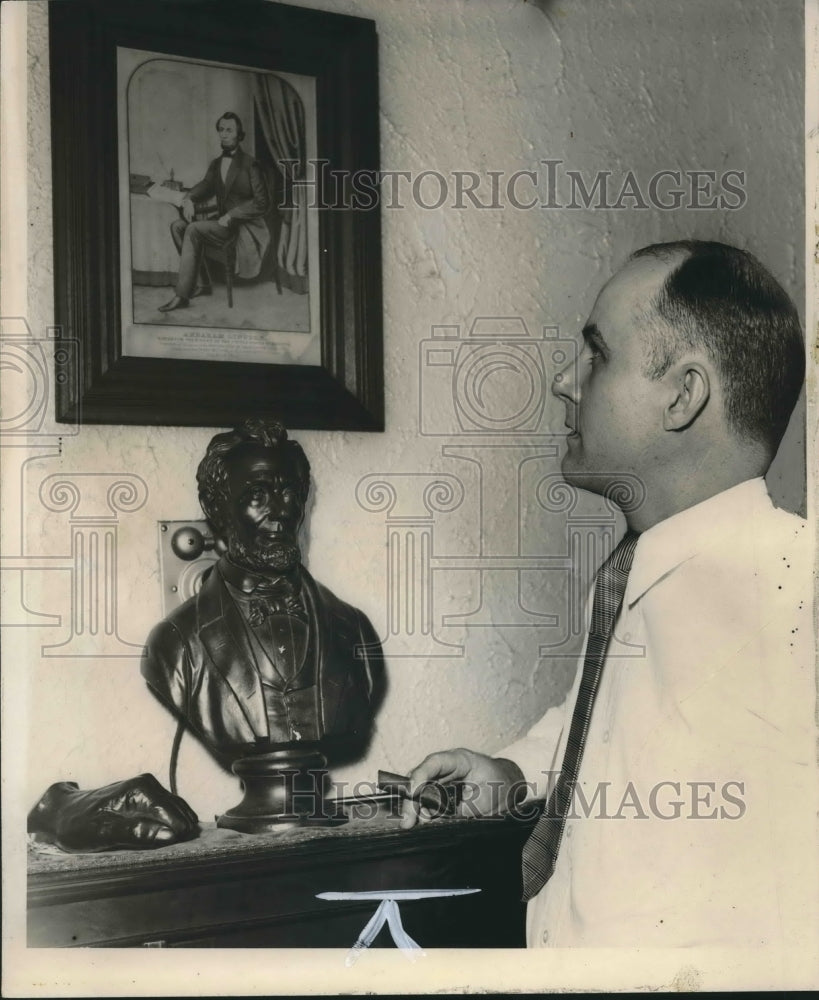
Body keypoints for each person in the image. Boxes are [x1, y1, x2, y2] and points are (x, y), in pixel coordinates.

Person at [400, 240, 815, 949]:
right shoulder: (636, 571)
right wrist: (513, 771)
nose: (565, 381)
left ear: (682, 396)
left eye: (597, 355)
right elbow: (607, 723)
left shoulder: (792, 590)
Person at [28, 419, 384, 850]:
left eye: (289, 492)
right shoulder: (176, 643)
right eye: (257, 495)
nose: (281, 510)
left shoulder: (354, 630)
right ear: (218, 511)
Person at [159, 112, 270, 312]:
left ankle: (182, 295)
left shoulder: (250, 164)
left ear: (239, 135)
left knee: (192, 229)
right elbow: (205, 185)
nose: (224, 135)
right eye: (221, 130)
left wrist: (233, 215)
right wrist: (189, 198)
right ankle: (203, 284)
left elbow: (262, 203)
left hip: (242, 227)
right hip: (220, 224)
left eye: (229, 130)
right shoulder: (217, 163)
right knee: (177, 226)